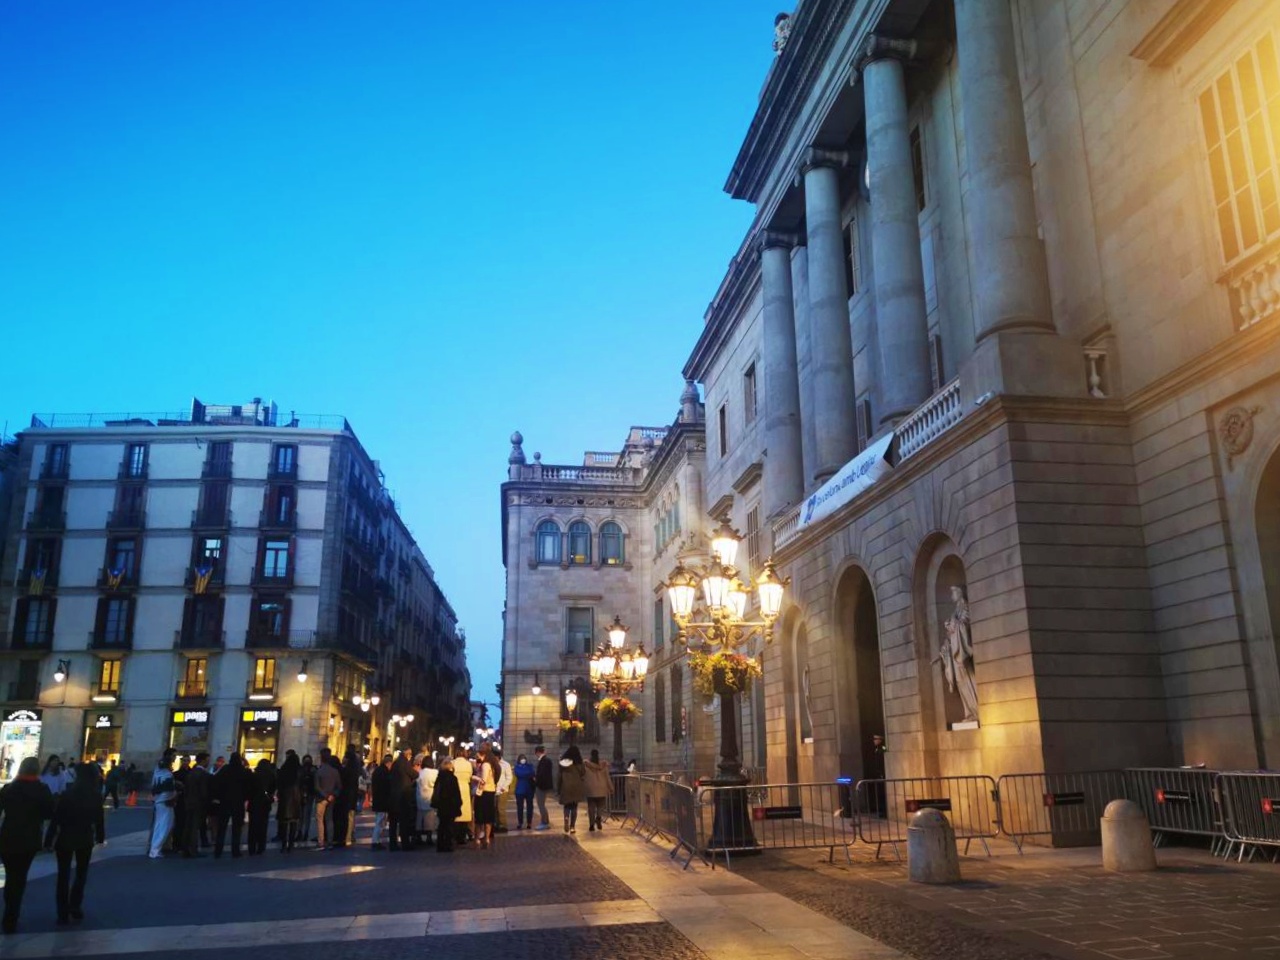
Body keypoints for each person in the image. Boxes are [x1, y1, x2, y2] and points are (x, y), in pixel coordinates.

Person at [0, 757, 54, 934]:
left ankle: (9, 911)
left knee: (10, 875)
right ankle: (12, 914)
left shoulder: (9, 789)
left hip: (8, 836)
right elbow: (48, 813)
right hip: (30, 838)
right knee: (20, 876)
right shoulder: (42, 789)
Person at [49, 766, 104, 925]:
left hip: (65, 837)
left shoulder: (68, 794)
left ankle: (62, 911)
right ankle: (75, 906)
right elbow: (99, 819)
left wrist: (49, 839)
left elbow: (56, 818)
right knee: (81, 874)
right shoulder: (95, 795)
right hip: (85, 837)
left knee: (63, 875)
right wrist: (100, 836)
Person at [211, 752, 249, 858]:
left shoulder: (225, 769)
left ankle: (218, 850)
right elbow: (247, 786)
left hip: (225, 802)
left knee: (222, 827)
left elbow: (216, 782)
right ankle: (235, 850)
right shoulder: (243, 771)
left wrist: (218, 796)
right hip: (238, 802)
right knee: (237, 828)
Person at [149, 750, 178, 859]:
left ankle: (155, 848)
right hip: (164, 801)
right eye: (174, 756)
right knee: (164, 825)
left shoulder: (158, 772)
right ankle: (155, 849)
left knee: (161, 824)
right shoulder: (166, 774)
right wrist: (173, 795)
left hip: (160, 800)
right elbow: (168, 789)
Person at [431, 758, 462, 853]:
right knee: (450, 825)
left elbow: (436, 791)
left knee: (442, 825)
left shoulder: (439, 777)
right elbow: (457, 793)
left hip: (442, 804)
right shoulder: (453, 778)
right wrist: (459, 803)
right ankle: (448, 844)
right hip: (451, 804)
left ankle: (440, 845)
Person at [182, 753, 210, 857]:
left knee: (188, 826)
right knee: (194, 827)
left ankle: (185, 848)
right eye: (207, 760)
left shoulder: (191, 772)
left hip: (189, 802)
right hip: (198, 803)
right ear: (202, 761)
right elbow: (204, 792)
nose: (208, 762)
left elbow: (186, 789)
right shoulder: (203, 774)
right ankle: (193, 849)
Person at [472, 743, 499, 850]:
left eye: (477, 755)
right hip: (490, 791)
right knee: (488, 817)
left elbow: (483, 780)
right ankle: (486, 838)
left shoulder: (485, 765)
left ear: (482, 755)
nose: (476, 758)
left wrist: (473, 777)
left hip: (484, 793)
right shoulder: (490, 764)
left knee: (480, 817)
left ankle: (478, 838)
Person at [247, 758, 276, 855]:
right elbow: (273, 788)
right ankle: (261, 847)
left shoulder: (253, 775)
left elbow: (249, 790)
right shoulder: (271, 775)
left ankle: (252, 847)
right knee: (263, 826)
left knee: (253, 826)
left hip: (254, 803)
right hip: (265, 803)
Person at [313, 748, 341, 849]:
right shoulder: (335, 771)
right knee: (329, 819)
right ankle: (330, 841)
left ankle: (321, 840)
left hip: (321, 798)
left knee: (320, 820)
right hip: (331, 798)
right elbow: (339, 786)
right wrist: (332, 795)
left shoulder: (319, 771)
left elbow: (317, 787)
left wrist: (324, 795)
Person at [40, 755, 69, 850]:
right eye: (54, 760)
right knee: (42, 822)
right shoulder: (43, 773)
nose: (55, 762)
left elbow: (62, 787)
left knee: (52, 823)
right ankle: (40, 842)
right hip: (43, 798)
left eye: (57, 761)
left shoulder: (60, 774)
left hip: (55, 799)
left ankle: (47, 844)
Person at [275, 751, 302, 853]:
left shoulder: (284, 769)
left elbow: (279, 783)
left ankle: (283, 844)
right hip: (296, 798)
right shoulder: (299, 770)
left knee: (284, 823)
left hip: (285, 798)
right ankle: (291, 844)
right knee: (294, 823)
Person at [392, 748, 417, 850]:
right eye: (410, 754)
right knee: (404, 822)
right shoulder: (405, 763)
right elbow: (415, 774)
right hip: (404, 796)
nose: (410, 756)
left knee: (393, 822)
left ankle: (393, 844)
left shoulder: (396, 763)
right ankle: (405, 844)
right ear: (407, 754)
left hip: (394, 796)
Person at [558, 745, 586, 834]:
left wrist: (558, 787)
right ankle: (572, 827)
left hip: (565, 786)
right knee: (574, 806)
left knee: (567, 806)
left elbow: (559, 776)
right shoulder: (579, 763)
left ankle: (566, 817)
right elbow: (583, 773)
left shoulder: (562, 764)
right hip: (576, 786)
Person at [339, 749, 363, 847]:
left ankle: (346, 838)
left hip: (346, 797)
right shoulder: (355, 770)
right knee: (351, 818)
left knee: (348, 818)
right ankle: (350, 837)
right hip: (352, 797)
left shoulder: (346, 770)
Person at [370, 754, 393, 850]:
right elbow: (387, 787)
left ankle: (376, 841)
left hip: (378, 800)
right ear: (388, 763)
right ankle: (375, 841)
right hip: (382, 801)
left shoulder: (378, 771)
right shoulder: (384, 772)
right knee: (380, 822)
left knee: (379, 821)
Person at [583, 749, 611, 832]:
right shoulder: (603, 765)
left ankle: (591, 825)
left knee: (591, 807)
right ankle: (598, 817)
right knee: (600, 806)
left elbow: (583, 776)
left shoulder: (586, 765)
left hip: (591, 789)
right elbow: (607, 778)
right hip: (601, 789)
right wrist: (611, 788)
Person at [452, 747, 474, 846]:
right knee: (465, 813)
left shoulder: (452, 763)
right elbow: (470, 775)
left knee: (456, 812)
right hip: (465, 788)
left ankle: (455, 835)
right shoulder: (468, 764)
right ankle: (462, 836)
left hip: (455, 788)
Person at [417, 755, 438, 847]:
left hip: (420, 797)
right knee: (430, 819)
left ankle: (418, 837)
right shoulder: (435, 773)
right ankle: (429, 838)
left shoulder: (420, 772)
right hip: (430, 797)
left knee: (419, 818)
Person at [533, 745, 553, 831]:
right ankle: (545, 822)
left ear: (537, 752)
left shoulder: (544, 761)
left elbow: (542, 774)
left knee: (541, 805)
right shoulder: (546, 760)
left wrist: (536, 779)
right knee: (542, 805)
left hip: (541, 786)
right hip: (543, 785)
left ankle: (544, 822)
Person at [513, 754, 536, 829]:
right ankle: (520, 822)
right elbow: (519, 774)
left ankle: (529, 822)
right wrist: (528, 774)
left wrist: (526, 773)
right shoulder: (517, 767)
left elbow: (532, 772)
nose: (523, 760)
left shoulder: (530, 766)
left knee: (530, 807)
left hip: (529, 789)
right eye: (521, 758)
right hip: (520, 790)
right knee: (520, 807)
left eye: (524, 758)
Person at [297, 754, 316, 843]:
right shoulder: (303, 770)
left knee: (306, 815)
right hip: (303, 793)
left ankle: (304, 832)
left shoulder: (312, 770)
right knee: (301, 815)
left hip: (309, 794)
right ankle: (300, 832)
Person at [493, 747, 513, 834]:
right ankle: (496, 824)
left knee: (501, 808)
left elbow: (509, 777)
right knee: (494, 808)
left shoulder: (505, 764)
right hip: (493, 789)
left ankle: (503, 825)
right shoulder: (491, 764)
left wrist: (503, 787)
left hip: (502, 790)